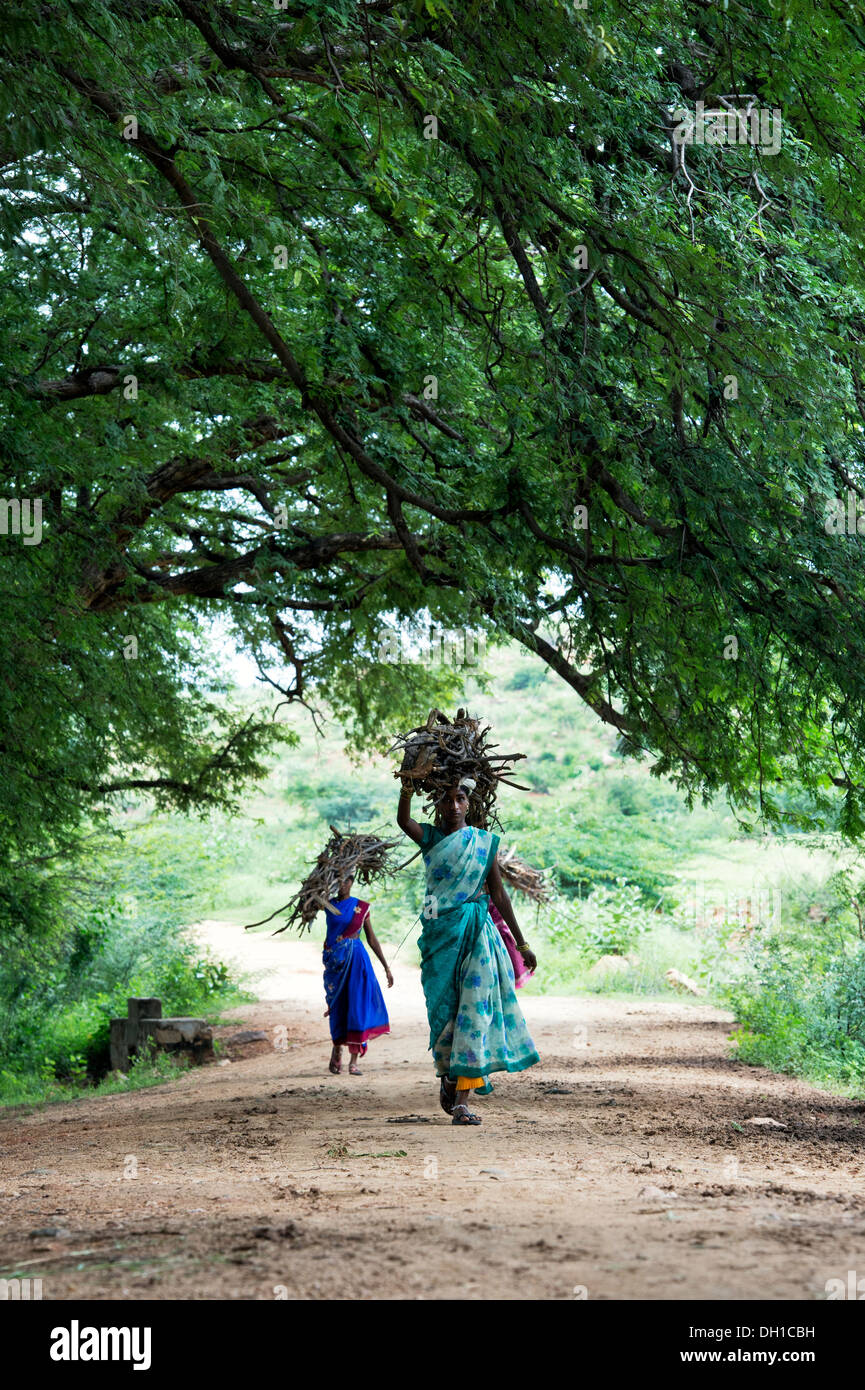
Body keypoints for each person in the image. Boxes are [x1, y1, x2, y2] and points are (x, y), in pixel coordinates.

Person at [397, 779, 539, 1124]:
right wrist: (407, 786)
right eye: (447, 800)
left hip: (478, 934)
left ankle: (462, 1100)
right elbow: (404, 822)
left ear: (469, 803)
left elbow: (499, 895)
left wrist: (521, 943)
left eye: (460, 799)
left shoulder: (483, 843)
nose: (454, 806)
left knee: (475, 1012)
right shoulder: (431, 838)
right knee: (444, 1012)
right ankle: (450, 1074)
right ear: (438, 805)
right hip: (441, 936)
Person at [322, 875, 393, 1075]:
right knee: (338, 1006)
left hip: (357, 961)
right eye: (337, 880)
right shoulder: (327, 904)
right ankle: (337, 1047)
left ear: (352, 882)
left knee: (358, 1006)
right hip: (336, 962)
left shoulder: (361, 907)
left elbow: (371, 938)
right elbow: (306, 905)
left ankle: (354, 1061)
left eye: (345, 880)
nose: (342, 884)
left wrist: (386, 967)